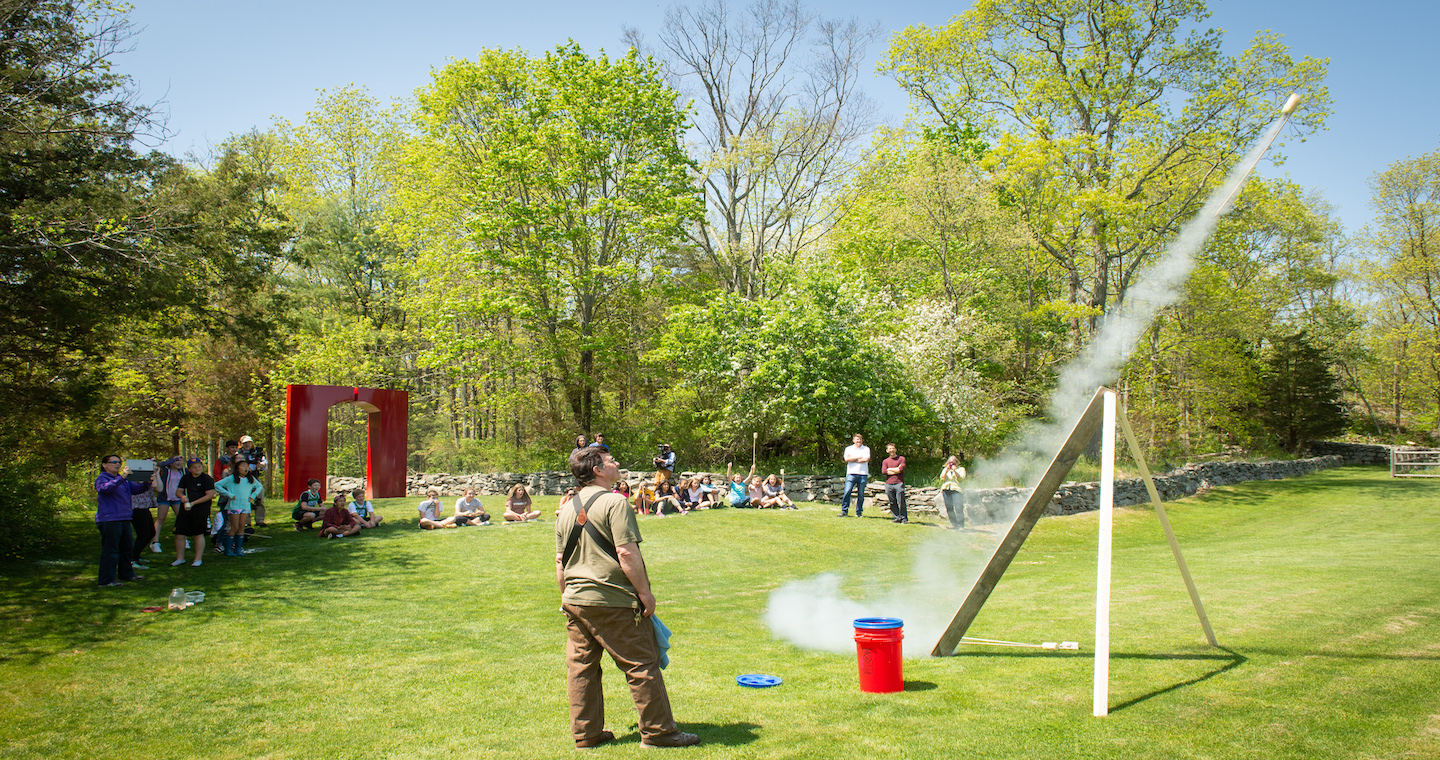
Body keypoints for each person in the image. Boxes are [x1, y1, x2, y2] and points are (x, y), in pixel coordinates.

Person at [555, 446, 700, 749]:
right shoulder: (615, 503)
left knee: (582, 668)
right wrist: (645, 593)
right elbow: (625, 551)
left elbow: (560, 561)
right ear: (597, 469)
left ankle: (587, 735)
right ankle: (660, 733)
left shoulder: (567, 506)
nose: (616, 462)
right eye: (610, 461)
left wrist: (565, 598)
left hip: (575, 598)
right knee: (641, 664)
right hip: (612, 599)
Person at [94, 455, 149, 588]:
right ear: (104, 465)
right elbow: (105, 489)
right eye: (113, 462)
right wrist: (122, 477)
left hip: (124, 517)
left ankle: (126, 574)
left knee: (127, 548)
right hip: (110, 519)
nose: (117, 464)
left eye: (118, 462)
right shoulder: (103, 478)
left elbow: (136, 490)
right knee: (111, 550)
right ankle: (106, 580)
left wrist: (148, 481)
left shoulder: (123, 479)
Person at [214, 457, 263, 556]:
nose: (245, 468)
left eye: (247, 467)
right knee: (234, 527)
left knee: (241, 527)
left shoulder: (250, 479)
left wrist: (252, 496)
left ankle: (238, 549)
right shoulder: (231, 478)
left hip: (245, 506)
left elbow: (259, 486)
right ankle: (228, 549)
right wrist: (229, 494)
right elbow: (217, 485)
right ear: (237, 468)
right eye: (243, 466)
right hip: (234, 506)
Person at [173, 457, 215, 567]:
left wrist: (194, 503)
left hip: (200, 510)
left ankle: (198, 559)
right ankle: (180, 558)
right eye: (194, 467)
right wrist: (182, 497)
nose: (197, 469)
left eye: (199, 466)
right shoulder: (185, 478)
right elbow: (179, 491)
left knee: (198, 533)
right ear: (190, 469)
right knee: (179, 533)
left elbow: (210, 495)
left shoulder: (206, 479)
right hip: (185, 509)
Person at [150, 456, 185, 553]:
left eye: (179, 461)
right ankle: (155, 542)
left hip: (177, 498)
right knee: (161, 519)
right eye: (175, 461)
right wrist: (172, 459)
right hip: (165, 498)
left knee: (181, 519)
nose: (178, 463)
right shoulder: (165, 470)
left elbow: (194, 467)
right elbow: (160, 464)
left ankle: (183, 539)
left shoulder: (183, 471)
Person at [237, 435, 268, 525]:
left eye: (249, 443)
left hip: (255, 478)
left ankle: (260, 520)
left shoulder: (257, 453)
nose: (247, 445)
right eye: (245, 443)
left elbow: (264, 464)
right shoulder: (238, 454)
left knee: (259, 498)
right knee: (245, 500)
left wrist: (261, 465)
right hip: (243, 479)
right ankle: (246, 521)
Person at [838, 433, 870, 517]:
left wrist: (853, 459)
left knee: (861, 494)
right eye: (857, 439)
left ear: (862, 440)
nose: (858, 441)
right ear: (853, 440)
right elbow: (846, 459)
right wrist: (858, 457)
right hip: (851, 473)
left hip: (863, 474)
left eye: (860, 439)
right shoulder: (848, 449)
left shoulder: (866, 449)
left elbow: (866, 459)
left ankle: (859, 512)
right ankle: (844, 511)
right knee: (847, 491)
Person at [881, 442, 908, 524]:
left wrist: (890, 470)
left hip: (899, 483)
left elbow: (901, 469)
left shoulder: (901, 459)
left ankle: (904, 518)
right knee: (892, 502)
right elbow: (884, 471)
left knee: (901, 501)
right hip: (889, 483)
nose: (892, 450)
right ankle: (896, 517)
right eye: (890, 449)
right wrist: (895, 469)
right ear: (887, 451)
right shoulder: (885, 461)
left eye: (893, 448)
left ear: (895, 449)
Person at [939, 456, 967, 530]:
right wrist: (947, 470)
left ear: (956, 462)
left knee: (958, 507)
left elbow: (960, 478)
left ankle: (961, 525)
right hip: (947, 489)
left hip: (957, 490)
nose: (952, 464)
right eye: (950, 462)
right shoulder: (945, 469)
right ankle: (954, 524)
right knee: (949, 507)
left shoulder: (961, 469)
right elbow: (942, 478)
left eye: (953, 462)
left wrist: (955, 471)